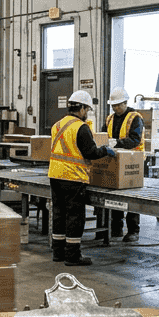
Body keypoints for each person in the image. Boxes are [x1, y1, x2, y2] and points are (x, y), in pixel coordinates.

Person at [48, 90, 117, 267]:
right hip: (73, 177)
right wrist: (105, 150)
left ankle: (58, 252)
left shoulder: (57, 125)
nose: (87, 114)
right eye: (87, 110)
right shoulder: (81, 127)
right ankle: (72, 256)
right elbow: (90, 153)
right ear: (82, 109)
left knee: (58, 214)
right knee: (74, 216)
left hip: (55, 175)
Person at [100, 87, 144, 242]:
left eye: (118, 105)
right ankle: (116, 228)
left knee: (131, 198)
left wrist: (117, 142)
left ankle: (133, 230)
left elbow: (135, 140)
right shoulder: (109, 119)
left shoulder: (135, 118)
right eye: (113, 105)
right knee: (114, 197)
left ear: (125, 102)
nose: (115, 108)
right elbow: (103, 135)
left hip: (132, 163)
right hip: (114, 161)